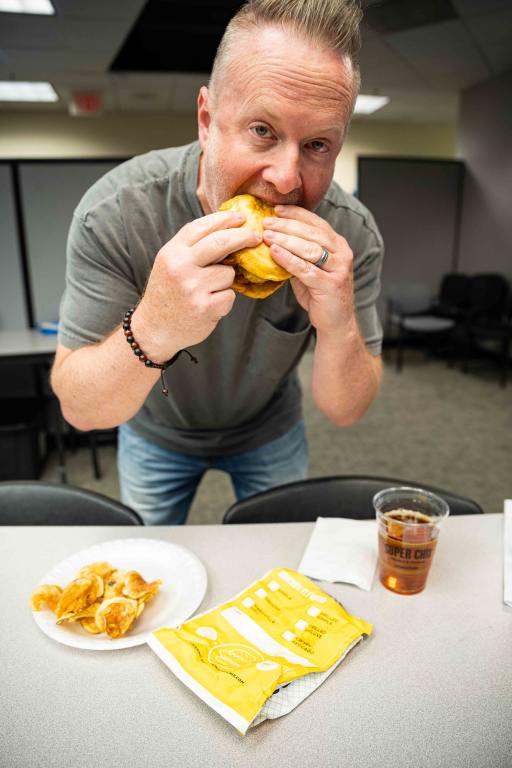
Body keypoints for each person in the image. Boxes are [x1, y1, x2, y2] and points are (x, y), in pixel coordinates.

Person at [51, 0, 384, 525]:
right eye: (262, 131)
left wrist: (337, 317)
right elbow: (81, 410)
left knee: (282, 572)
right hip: (153, 429)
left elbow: (346, 411)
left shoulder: (350, 233)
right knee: (150, 570)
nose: (286, 179)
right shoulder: (116, 213)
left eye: (318, 144)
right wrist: (155, 324)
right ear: (207, 120)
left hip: (269, 429)